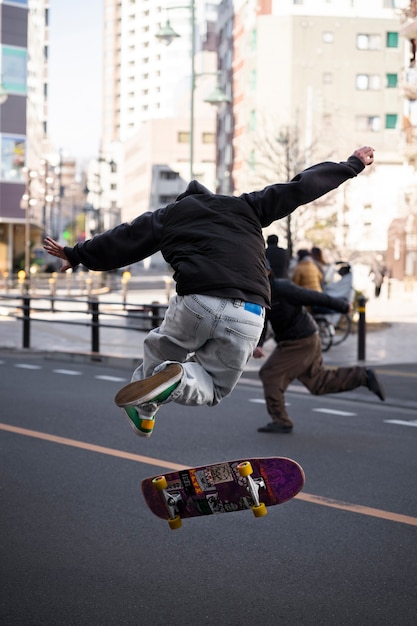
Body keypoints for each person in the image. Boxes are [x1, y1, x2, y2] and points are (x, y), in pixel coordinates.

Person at [43, 145, 375, 439]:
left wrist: (77, 254)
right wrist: (351, 166)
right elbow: (297, 189)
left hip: (197, 301)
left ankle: (148, 409)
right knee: (214, 387)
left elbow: (125, 238)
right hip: (250, 312)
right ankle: (175, 382)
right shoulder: (246, 206)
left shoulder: (169, 216)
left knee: (159, 348)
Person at [253, 272, 385, 434]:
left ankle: (281, 421)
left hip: (300, 341)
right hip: (301, 340)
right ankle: (362, 376)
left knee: (270, 374)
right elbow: (263, 320)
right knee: (318, 383)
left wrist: (342, 306)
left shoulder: (283, 288)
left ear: (266, 272)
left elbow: (315, 297)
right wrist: (259, 344)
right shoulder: (261, 292)